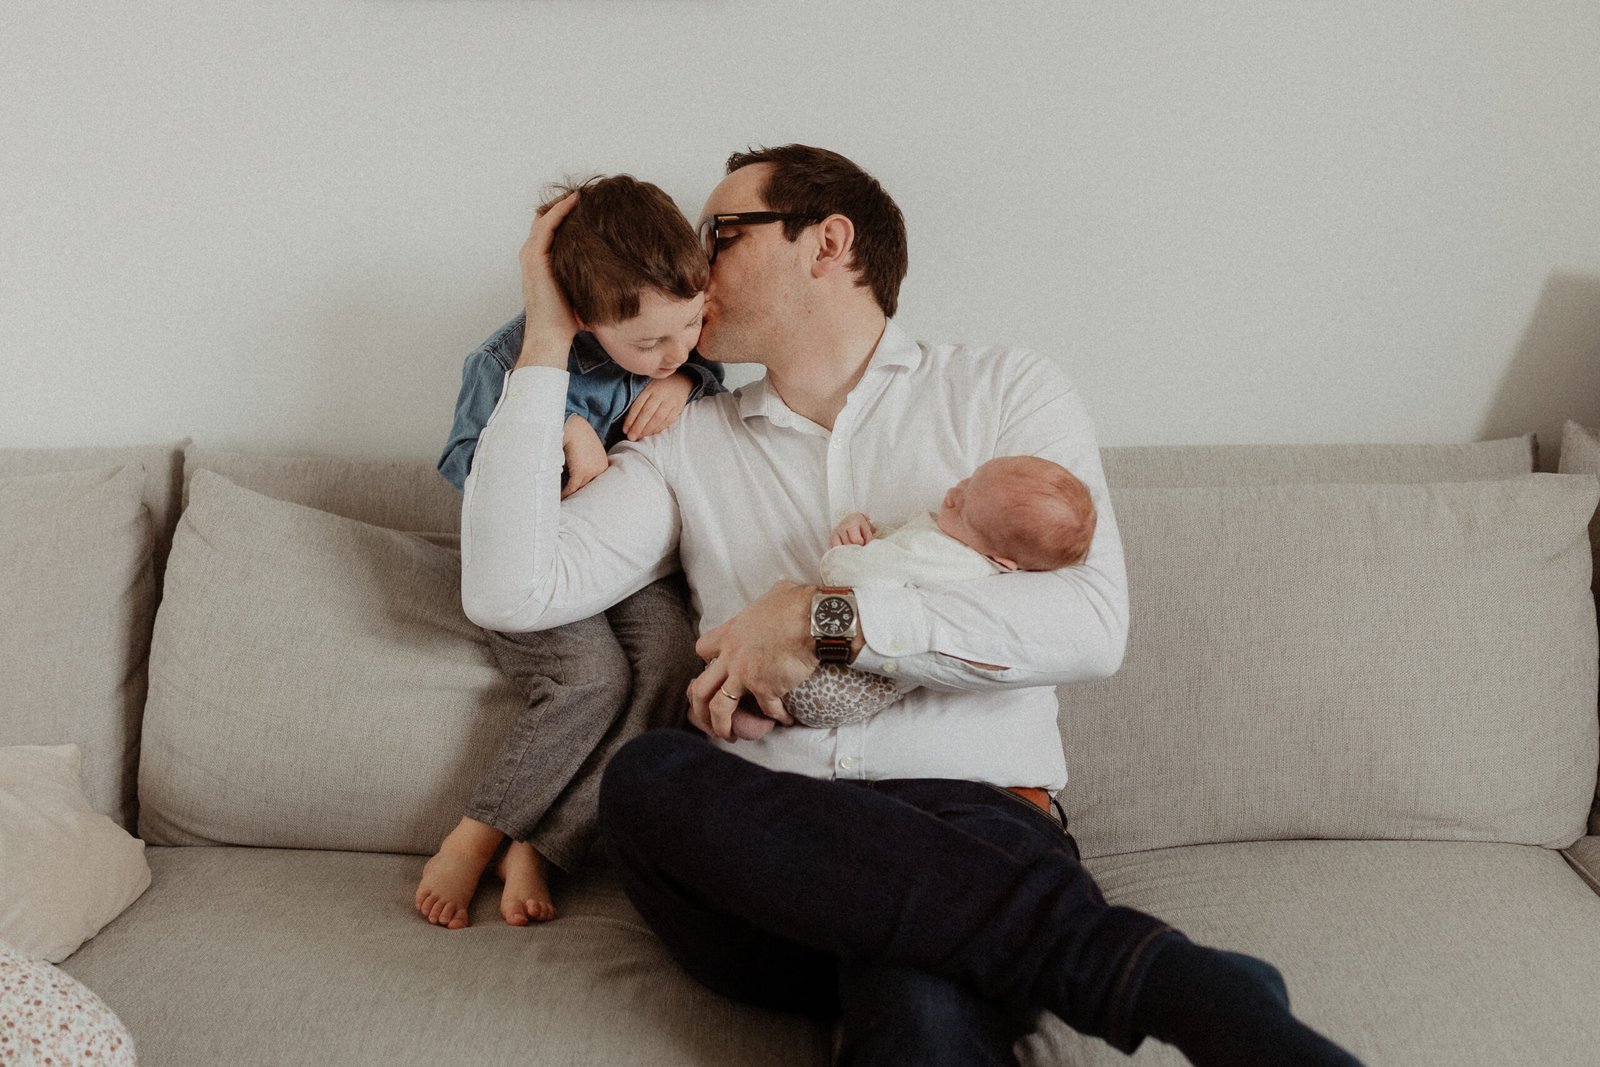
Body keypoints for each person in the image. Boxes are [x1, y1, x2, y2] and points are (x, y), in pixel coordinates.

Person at [460, 146, 1363, 1065]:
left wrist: (828, 621)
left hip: (971, 825)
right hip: (762, 852)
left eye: (720, 233)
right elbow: (511, 590)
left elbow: (1092, 624)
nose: (695, 262)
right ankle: (1155, 977)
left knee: (919, 1011)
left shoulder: (1006, 392)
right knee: (648, 777)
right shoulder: (682, 439)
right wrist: (546, 338)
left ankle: (1093, 965)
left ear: (827, 243)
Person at [416, 174, 723, 930]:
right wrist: (563, 435)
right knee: (590, 677)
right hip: (536, 560)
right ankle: (477, 832)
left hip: (633, 571)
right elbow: (463, 464)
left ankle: (545, 843)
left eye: (691, 324)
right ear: (582, 317)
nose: (672, 350)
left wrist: (690, 378)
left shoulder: (681, 357)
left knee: (675, 661)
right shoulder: (503, 362)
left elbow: (702, 382)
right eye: (648, 343)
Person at [728, 454, 1099, 738]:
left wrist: (843, 550)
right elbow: (899, 555)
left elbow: (851, 578)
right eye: (969, 481)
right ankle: (760, 714)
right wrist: (871, 531)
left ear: (1000, 559)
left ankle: (755, 708)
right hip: (861, 691)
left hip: (837, 678)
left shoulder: (945, 555)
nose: (952, 494)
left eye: (963, 507)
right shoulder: (968, 551)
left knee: (775, 616)